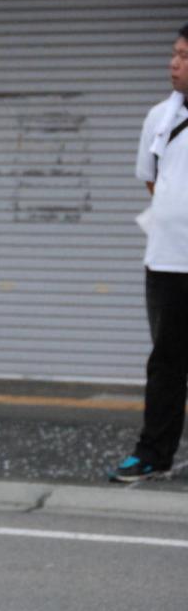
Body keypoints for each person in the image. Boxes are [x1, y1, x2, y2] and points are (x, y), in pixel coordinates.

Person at [111, 24, 188, 482]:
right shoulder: (159, 116)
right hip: (167, 260)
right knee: (166, 361)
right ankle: (153, 454)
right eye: (173, 54)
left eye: (183, 56)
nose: (173, 63)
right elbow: (152, 178)